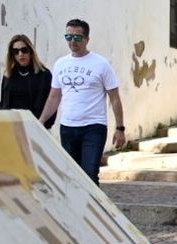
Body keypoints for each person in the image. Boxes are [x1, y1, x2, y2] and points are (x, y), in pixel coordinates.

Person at [39, 18, 125, 182]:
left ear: (87, 39)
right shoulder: (60, 64)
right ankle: (77, 208)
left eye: (77, 37)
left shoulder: (101, 64)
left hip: (93, 127)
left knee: (90, 175)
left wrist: (120, 128)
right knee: (73, 177)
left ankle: (96, 208)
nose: (72, 41)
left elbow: (114, 98)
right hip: (68, 127)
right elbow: (54, 96)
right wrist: (41, 121)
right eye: (68, 37)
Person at [0, 34, 52, 123]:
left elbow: (50, 104)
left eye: (24, 50)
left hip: (36, 126)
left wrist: (42, 124)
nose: (20, 54)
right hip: (11, 125)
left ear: (31, 51)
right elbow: (3, 103)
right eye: (16, 51)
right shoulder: (8, 74)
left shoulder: (44, 75)